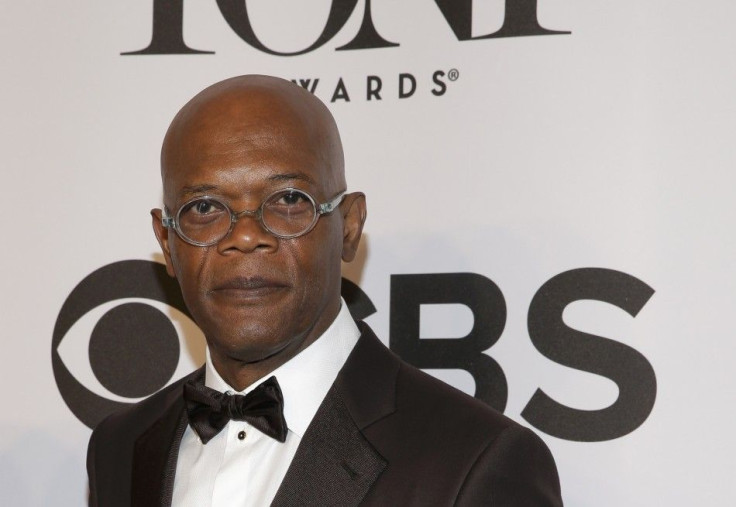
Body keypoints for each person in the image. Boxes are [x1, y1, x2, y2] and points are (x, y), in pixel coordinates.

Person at [87, 75, 563, 506]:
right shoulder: (119, 449)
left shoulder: (477, 463)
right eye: (205, 207)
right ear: (167, 243)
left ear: (350, 226)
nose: (246, 235)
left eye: (289, 200)